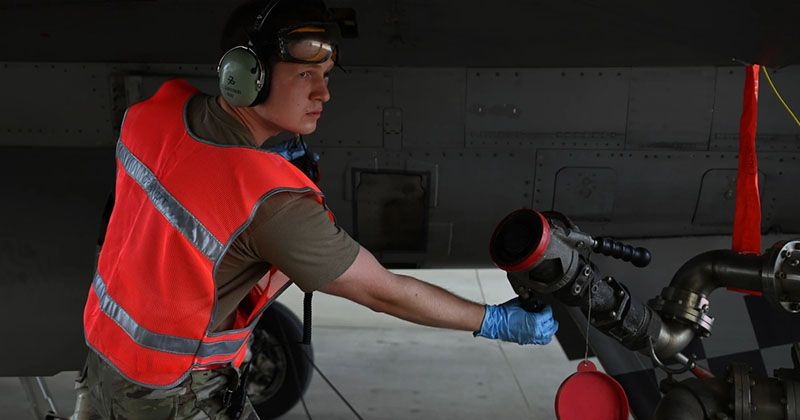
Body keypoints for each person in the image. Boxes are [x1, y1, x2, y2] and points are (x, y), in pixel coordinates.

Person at [74, 1, 559, 419]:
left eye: (325, 76)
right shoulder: (273, 202)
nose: (323, 93)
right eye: (305, 74)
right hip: (172, 396)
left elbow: (184, 188)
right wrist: (494, 320)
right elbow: (385, 293)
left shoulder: (152, 113)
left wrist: (253, 161)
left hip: (103, 361)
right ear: (246, 75)